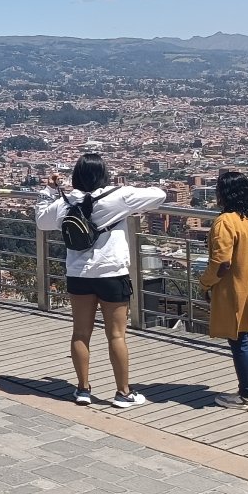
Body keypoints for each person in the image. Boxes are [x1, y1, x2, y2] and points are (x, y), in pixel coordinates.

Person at [34, 153, 166, 408]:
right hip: (112, 274)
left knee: (80, 334)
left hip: (79, 274)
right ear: (102, 174)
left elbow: (42, 222)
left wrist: (50, 190)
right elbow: (159, 195)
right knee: (116, 335)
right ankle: (122, 392)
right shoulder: (118, 197)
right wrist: (124, 189)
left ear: (76, 175)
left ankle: (83, 389)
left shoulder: (65, 203)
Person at [201, 171, 248, 412]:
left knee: (239, 339)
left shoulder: (226, 222)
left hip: (237, 290)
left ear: (224, 194)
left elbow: (222, 262)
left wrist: (205, 282)